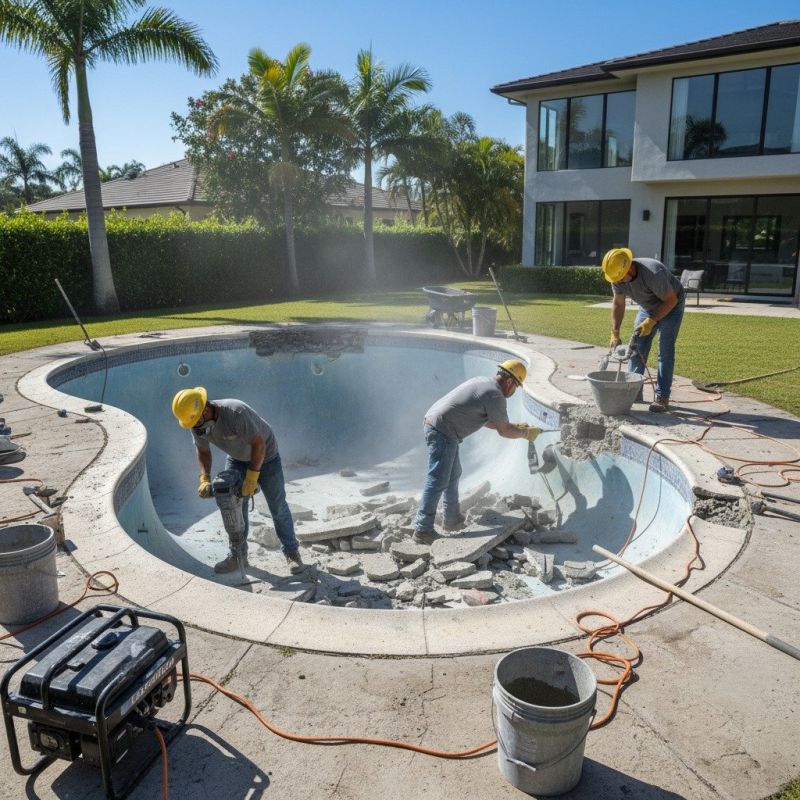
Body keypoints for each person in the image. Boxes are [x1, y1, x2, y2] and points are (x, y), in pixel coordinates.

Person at [171, 387, 304, 575]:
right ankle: (238, 556)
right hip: (237, 459)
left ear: (205, 409)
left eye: (197, 421)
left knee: (277, 505)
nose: (195, 427)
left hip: (267, 455)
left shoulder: (235, 412)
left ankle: (292, 552)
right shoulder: (196, 424)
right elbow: (203, 451)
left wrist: (252, 478)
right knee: (233, 505)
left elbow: (259, 445)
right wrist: (204, 478)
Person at [413, 359, 541, 544]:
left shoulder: (483, 382)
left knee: (453, 474)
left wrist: (514, 426)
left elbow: (487, 420)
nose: (514, 391)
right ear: (510, 382)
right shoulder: (495, 395)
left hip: (440, 426)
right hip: (443, 430)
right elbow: (504, 431)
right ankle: (423, 530)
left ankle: (451, 519)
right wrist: (526, 433)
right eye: (516, 387)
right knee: (438, 479)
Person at [603, 248, 685, 413]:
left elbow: (671, 300)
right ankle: (633, 391)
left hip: (671, 304)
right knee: (636, 347)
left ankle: (662, 397)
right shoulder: (616, 276)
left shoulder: (653, 273)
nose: (618, 282)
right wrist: (615, 332)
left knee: (665, 350)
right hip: (647, 306)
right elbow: (618, 303)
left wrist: (651, 321)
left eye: (620, 278)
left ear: (630, 269)